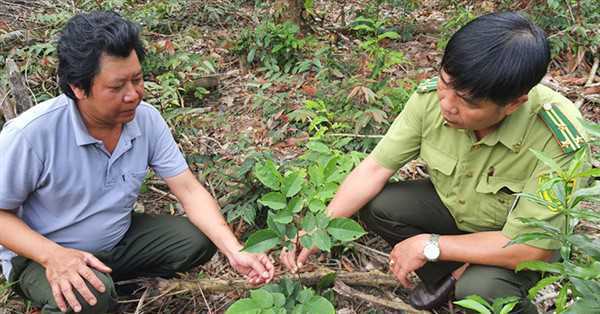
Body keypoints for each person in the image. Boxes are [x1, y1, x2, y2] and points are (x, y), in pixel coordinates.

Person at [280, 12, 588, 313]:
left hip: (515, 241)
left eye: (468, 101)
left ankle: (475, 280)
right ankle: (453, 274)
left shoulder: (557, 138)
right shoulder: (430, 100)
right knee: (380, 205)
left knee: (483, 290)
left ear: (512, 104)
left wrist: (431, 245)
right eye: (445, 82)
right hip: (459, 214)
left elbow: (533, 247)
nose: (447, 105)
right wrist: (318, 229)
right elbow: (374, 169)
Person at [0, 11, 274, 314]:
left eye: (138, 79)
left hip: (116, 242)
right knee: (91, 296)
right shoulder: (32, 135)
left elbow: (188, 190)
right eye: (117, 88)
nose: (133, 95)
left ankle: (107, 281)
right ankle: (79, 291)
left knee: (196, 240)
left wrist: (236, 251)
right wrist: (52, 256)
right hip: (42, 254)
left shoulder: (146, 121)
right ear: (78, 88)